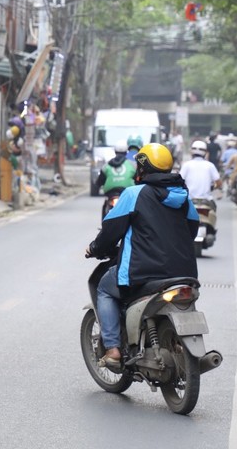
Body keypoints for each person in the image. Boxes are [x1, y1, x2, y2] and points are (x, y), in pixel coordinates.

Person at [84, 142, 199, 369]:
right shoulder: (183, 197)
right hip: (183, 273)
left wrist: (95, 248)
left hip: (142, 271)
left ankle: (114, 350)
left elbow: (110, 231)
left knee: (105, 289)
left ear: (143, 168)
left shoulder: (134, 194)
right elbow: (192, 230)